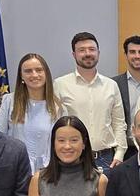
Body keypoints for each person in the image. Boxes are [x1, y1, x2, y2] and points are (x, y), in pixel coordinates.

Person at [54, 32, 128, 173]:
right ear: (74, 55)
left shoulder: (111, 85)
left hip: (107, 159)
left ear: (98, 53)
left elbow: (119, 123)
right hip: (73, 158)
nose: (87, 53)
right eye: (82, 50)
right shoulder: (60, 85)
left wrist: (120, 154)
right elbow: (55, 125)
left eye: (92, 49)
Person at [0, 53, 65, 171]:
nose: (34, 74)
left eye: (39, 70)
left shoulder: (58, 107)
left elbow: (62, 142)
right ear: (21, 76)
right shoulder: (9, 101)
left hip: (48, 172)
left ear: (46, 73)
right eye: (28, 71)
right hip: (16, 169)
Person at [113, 34, 140, 156]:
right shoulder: (114, 84)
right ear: (126, 55)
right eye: (132, 52)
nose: (137, 56)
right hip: (124, 150)